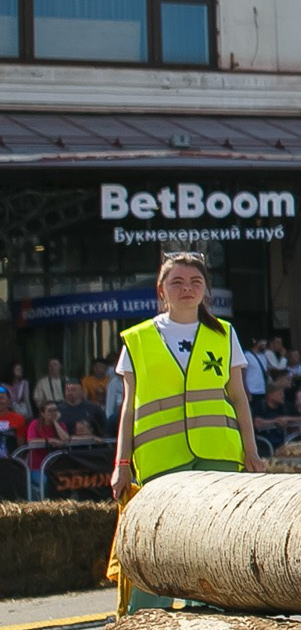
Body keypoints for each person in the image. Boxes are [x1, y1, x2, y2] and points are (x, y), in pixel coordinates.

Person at [111, 250, 263, 611]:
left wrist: (251, 452)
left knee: (215, 546)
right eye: (176, 281)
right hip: (161, 461)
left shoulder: (224, 334)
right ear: (160, 290)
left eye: (195, 281)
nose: (187, 288)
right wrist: (121, 462)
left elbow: (239, 398)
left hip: (219, 456)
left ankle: (217, 618)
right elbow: (129, 407)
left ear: (206, 290)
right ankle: (146, 623)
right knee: (159, 548)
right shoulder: (138, 338)